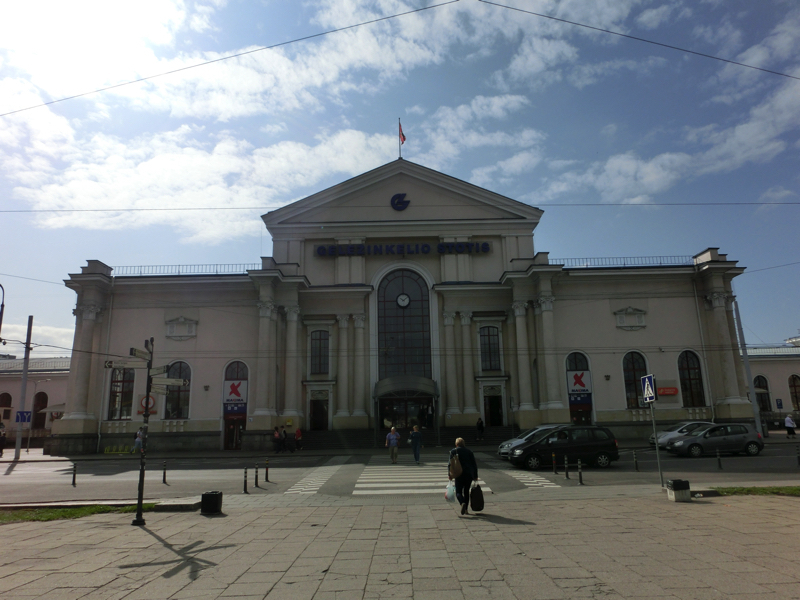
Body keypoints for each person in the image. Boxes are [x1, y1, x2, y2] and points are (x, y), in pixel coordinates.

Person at [449, 437, 478, 515]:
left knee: (458, 492)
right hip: (468, 474)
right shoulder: (469, 451)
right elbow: (474, 464)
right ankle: (466, 510)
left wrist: (450, 474)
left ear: (456, 444)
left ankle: (462, 503)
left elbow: (450, 464)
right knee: (466, 491)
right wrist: (475, 475)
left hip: (458, 474)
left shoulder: (453, 451)